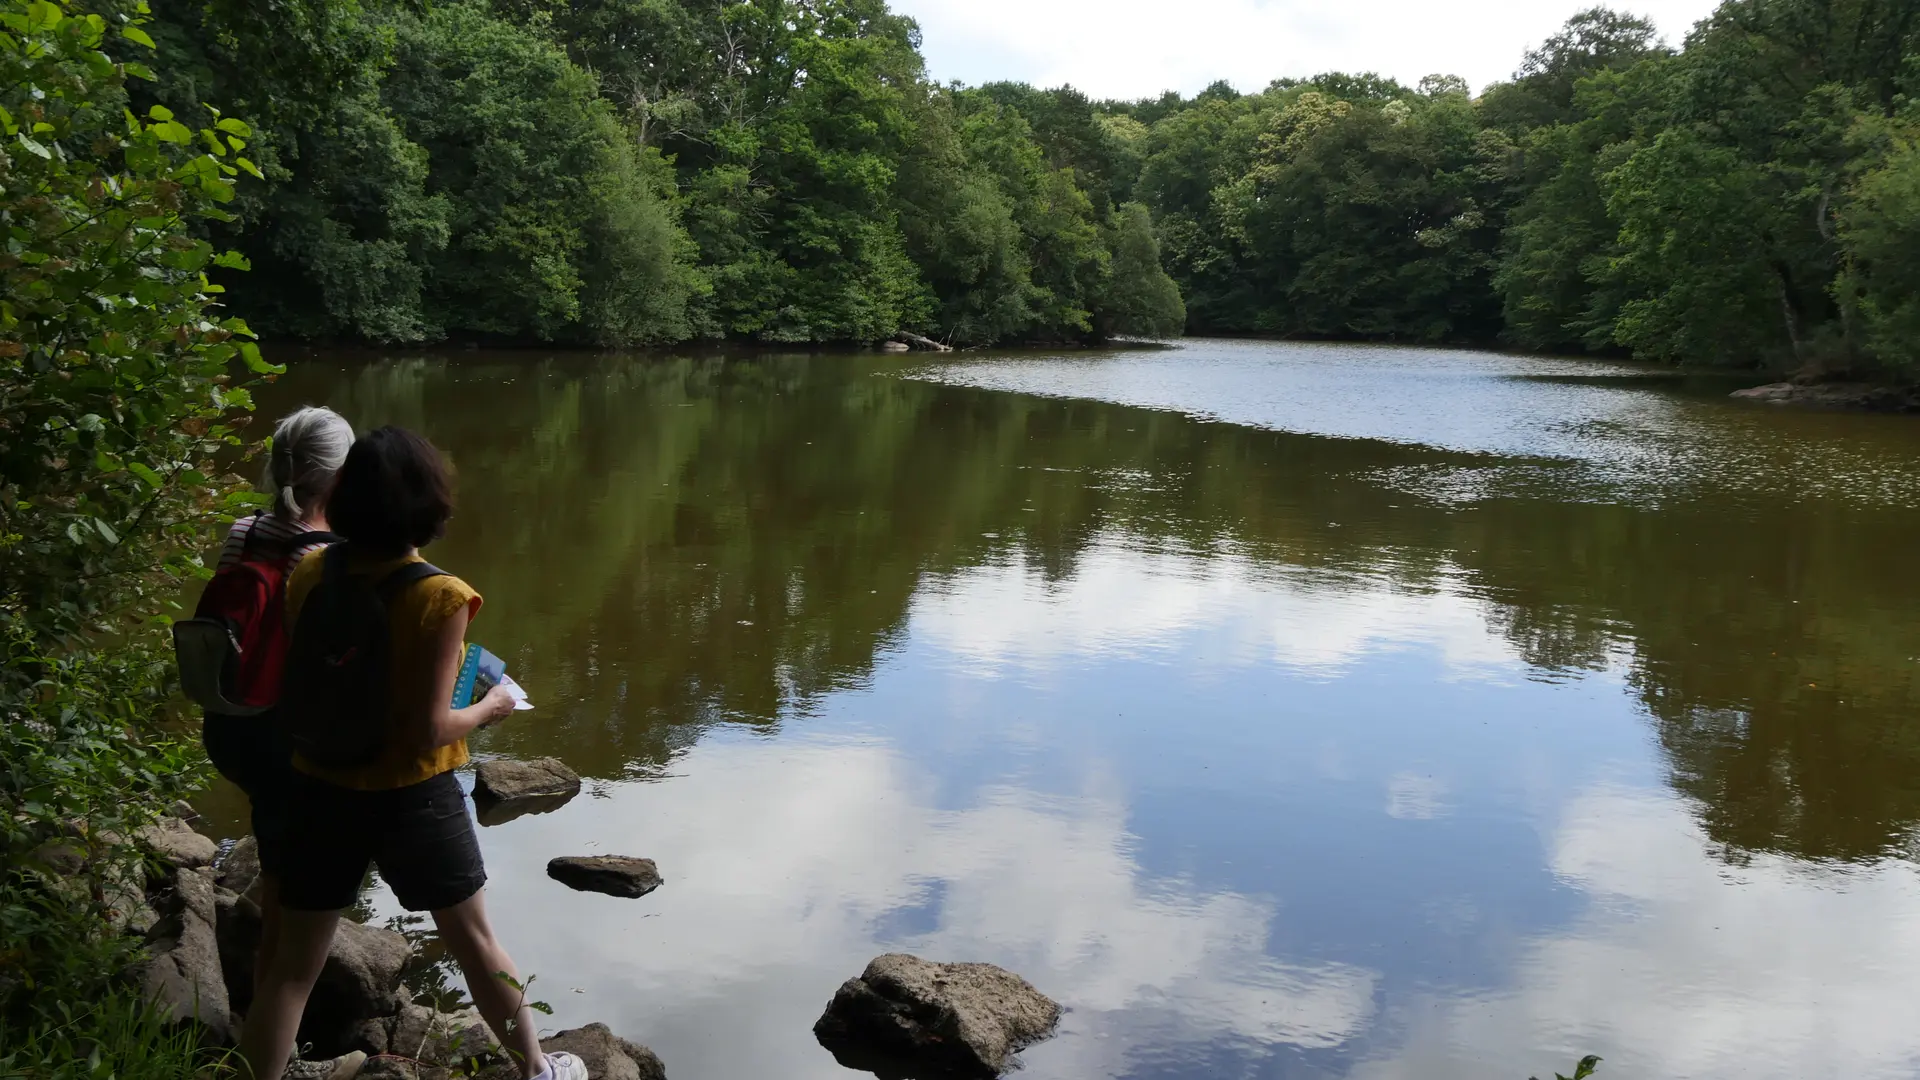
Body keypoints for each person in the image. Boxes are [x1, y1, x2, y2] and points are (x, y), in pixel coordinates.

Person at [236, 427, 585, 1080]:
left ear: (344, 499)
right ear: (431, 502)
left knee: (290, 969)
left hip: (320, 782)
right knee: (477, 943)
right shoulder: (442, 595)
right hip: (412, 793)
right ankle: (539, 1070)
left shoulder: (311, 571)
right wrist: (492, 706)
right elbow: (430, 729)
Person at [199, 406, 367, 1080]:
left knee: (277, 874)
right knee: (299, 917)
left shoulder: (244, 532)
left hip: (233, 727)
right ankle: (270, 1062)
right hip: (291, 744)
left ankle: (259, 1033)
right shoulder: (333, 557)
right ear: (342, 474)